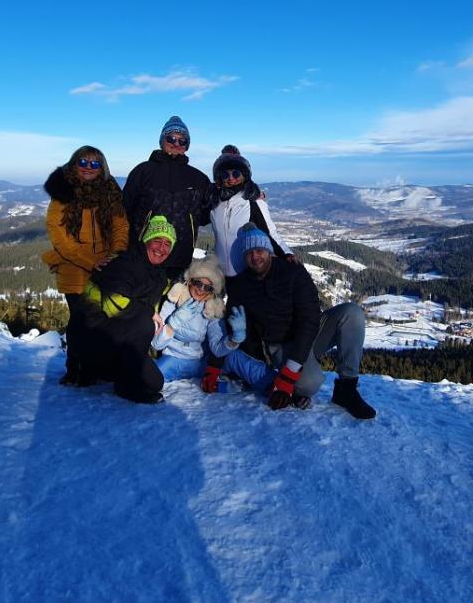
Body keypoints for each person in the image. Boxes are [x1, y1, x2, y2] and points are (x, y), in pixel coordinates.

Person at [208, 223, 376, 419]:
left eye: (259, 250)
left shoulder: (293, 272)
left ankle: (346, 389)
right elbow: (235, 328)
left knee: (351, 313)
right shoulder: (241, 287)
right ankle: (300, 380)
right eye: (249, 253)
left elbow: (310, 317)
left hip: (311, 333)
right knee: (309, 384)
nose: (255, 257)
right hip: (281, 345)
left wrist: (290, 374)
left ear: (269, 251)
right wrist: (219, 366)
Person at [42, 146, 130, 385]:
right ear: (74, 163)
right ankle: (76, 370)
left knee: (102, 320)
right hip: (73, 267)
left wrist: (117, 253)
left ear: (102, 168)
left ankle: (98, 368)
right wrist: (90, 261)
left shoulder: (110, 191)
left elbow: (120, 226)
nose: (89, 168)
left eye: (95, 163)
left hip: (105, 266)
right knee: (80, 321)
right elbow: (60, 237)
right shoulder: (63, 192)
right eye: (83, 162)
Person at [68, 215, 177, 403]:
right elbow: (114, 304)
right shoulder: (126, 263)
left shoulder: (157, 274)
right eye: (157, 240)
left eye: (168, 244)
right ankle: (125, 385)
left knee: (155, 382)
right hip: (91, 334)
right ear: (146, 241)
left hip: (116, 335)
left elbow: (158, 292)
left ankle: (110, 371)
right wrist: (150, 313)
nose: (162, 248)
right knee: (145, 323)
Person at [123, 115, 212, 280]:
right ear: (162, 141)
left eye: (182, 140)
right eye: (171, 138)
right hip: (143, 256)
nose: (176, 143)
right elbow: (124, 210)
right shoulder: (143, 171)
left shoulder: (199, 179)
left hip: (180, 260)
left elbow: (208, 214)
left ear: (187, 146)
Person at [151, 256, 245, 382]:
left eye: (208, 287)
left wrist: (234, 339)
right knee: (148, 378)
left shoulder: (213, 308)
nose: (201, 290)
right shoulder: (174, 299)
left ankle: (269, 384)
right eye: (198, 283)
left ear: (212, 291)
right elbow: (156, 344)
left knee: (236, 361)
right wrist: (174, 323)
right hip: (172, 360)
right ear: (190, 280)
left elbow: (217, 349)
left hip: (200, 363)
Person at [208, 144, 290, 277]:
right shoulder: (215, 203)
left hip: (246, 275)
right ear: (219, 178)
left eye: (236, 173)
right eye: (225, 174)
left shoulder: (253, 202)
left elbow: (270, 233)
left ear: (244, 175)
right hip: (221, 275)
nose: (231, 178)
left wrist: (287, 254)